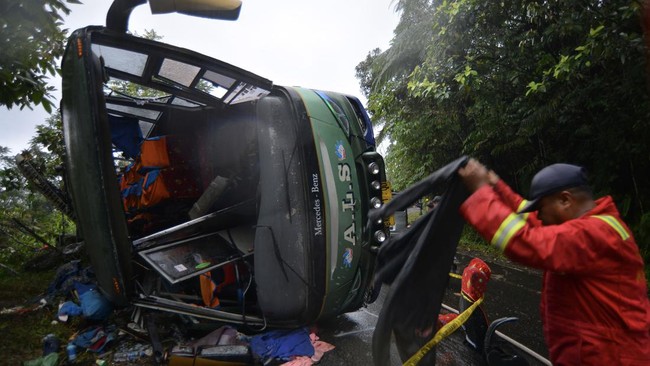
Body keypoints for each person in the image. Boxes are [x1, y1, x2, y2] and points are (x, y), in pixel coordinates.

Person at [457, 158, 650, 365]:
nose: (538, 215)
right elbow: (531, 219)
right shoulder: (594, 225)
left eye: (541, 207)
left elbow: (526, 242)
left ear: (565, 200)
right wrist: (498, 187)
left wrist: (480, 192)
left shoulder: (593, 234)